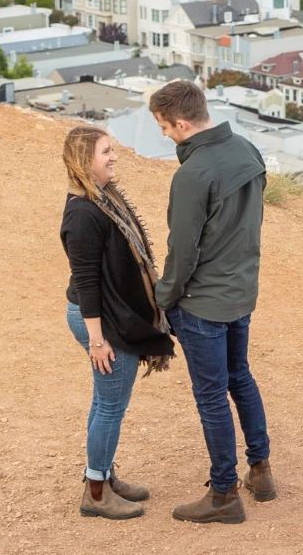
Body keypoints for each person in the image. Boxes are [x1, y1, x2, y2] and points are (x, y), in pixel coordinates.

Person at [149, 79, 274, 524]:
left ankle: (223, 495)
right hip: (242, 291)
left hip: (203, 302)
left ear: (182, 122)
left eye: (164, 127)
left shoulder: (193, 174)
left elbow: (182, 251)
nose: (165, 135)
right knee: (240, 376)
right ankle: (260, 470)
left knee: (211, 396)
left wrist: (164, 298)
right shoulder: (246, 149)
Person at [60, 125, 174, 520]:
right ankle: (95, 491)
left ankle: (104, 476)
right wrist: (97, 340)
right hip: (100, 321)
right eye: (105, 151)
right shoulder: (83, 213)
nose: (113, 157)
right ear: (84, 160)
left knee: (104, 401)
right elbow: (87, 282)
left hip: (108, 315)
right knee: (111, 405)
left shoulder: (103, 200)